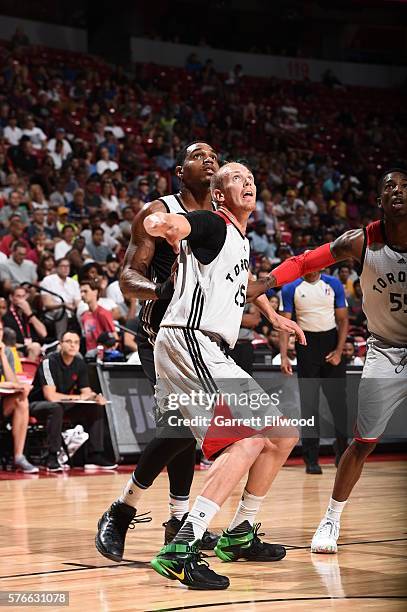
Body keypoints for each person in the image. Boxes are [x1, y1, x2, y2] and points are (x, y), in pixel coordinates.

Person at [145, 162, 305, 589]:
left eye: (251, 177)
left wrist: (273, 315)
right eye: (236, 178)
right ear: (218, 194)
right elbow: (182, 224)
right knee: (247, 439)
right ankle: (182, 547)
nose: (248, 182)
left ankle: (239, 533)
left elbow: (238, 286)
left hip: (212, 347)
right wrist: (164, 223)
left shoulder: (239, 239)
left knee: (282, 432)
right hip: (190, 339)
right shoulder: (212, 224)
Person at [261, 167, 407, 554]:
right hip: (387, 350)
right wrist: (265, 283)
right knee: (362, 443)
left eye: (406, 187)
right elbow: (305, 262)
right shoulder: (360, 242)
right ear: (379, 201)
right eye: (390, 186)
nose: (398, 191)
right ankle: (331, 518)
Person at [95, 142, 222, 562]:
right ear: (179, 171)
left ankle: (171, 518)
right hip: (161, 334)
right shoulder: (159, 210)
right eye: (197, 154)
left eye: (214, 156)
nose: (208, 159)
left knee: (183, 428)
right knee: (183, 424)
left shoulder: (224, 221)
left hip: (205, 336)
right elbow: (128, 276)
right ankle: (127, 510)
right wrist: (160, 289)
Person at [279, 269, 349, 473]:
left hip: (331, 343)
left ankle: (343, 453)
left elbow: (343, 320)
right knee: (309, 405)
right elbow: (285, 324)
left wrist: (338, 351)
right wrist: (284, 356)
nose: (312, 269)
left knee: (339, 405)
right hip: (306, 345)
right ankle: (311, 459)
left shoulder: (333, 284)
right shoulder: (291, 287)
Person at [29, 330, 117, 472]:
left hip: (62, 405)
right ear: (61, 344)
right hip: (37, 405)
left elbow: (86, 392)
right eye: (69, 342)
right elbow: (50, 396)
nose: (73, 346)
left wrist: (95, 397)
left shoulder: (79, 363)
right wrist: (78, 397)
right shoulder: (48, 362)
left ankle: (95, 454)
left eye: (76, 342)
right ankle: (52, 456)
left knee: (95, 407)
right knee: (55, 407)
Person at [0, 320, 37, 473]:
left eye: (0, 329)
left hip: (2, 401)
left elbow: (13, 381)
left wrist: (2, 355)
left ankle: (19, 456)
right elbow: (11, 384)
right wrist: (11, 385)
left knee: (21, 399)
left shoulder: (7, 351)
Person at [2, 286, 47, 360]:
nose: (22, 300)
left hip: (36, 347)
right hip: (18, 348)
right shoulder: (6, 316)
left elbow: (43, 334)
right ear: (11, 297)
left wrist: (29, 313)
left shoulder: (31, 315)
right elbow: (6, 342)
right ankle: (28, 370)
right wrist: (26, 346)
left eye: (23, 296)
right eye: (18, 296)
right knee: (35, 347)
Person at [79, 280, 117, 354]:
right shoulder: (84, 316)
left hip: (102, 353)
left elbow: (114, 338)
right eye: (81, 292)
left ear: (95, 292)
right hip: (89, 353)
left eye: (85, 291)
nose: (82, 294)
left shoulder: (103, 313)